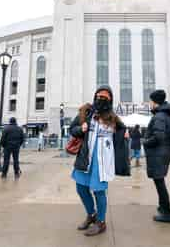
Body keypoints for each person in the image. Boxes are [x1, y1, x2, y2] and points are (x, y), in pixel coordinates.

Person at [70, 86, 130, 236]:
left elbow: (121, 133)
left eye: (105, 97)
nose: (101, 99)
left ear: (110, 100)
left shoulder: (113, 118)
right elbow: (73, 129)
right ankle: (92, 214)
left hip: (102, 161)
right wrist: (80, 129)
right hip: (85, 158)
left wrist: (124, 136)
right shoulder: (87, 113)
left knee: (98, 191)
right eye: (98, 96)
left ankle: (101, 222)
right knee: (81, 188)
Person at [143, 90, 170, 224]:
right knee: (160, 182)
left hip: (159, 153)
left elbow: (158, 136)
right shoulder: (166, 115)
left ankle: (167, 212)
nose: (149, 103)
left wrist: (144, 142)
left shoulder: (159, 117)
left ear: (155, 102)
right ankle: (163, 208)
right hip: (163, 152)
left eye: (150, 101)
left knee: (160, 183)